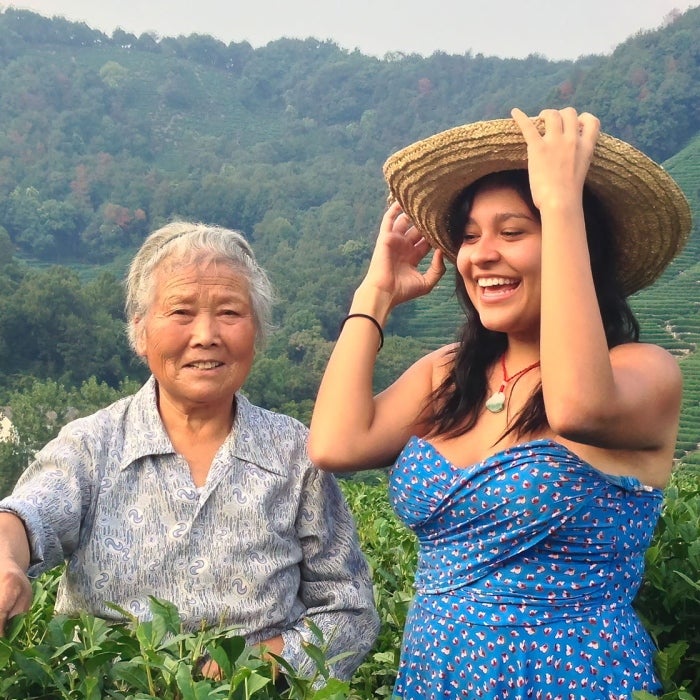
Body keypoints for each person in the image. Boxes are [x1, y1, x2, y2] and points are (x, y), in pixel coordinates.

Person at [308, 107, 692, 699]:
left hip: (574, 681)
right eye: (468, 236)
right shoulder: (449, 375)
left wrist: (561, 202)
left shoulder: (642, 372)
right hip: (436, 677)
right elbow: (335, 443)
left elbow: (574, 409)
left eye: (512, 232)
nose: (480, 255)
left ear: (574, 245)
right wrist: (377, 292)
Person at [0, 221, 379, 684]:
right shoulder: (91, 446)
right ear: (140, 331)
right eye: (181, 312)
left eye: (230, 312)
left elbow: (350, 609)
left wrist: (240, 670)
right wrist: (6, 560)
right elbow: (30, 513)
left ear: (257, 331)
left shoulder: (296, 456)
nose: (206, 335)